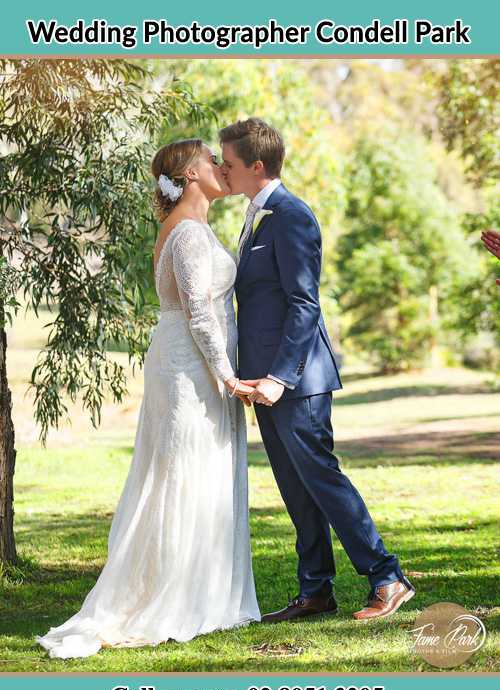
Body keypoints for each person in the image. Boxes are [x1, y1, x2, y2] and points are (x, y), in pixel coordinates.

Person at [35, 139, 261, 658]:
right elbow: (200, 313)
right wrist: (228, 376)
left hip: (197, 363)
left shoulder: (196, 227)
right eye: (212, 161)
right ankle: (172, 593)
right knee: (181, 470)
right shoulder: (184, 233)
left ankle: (207, 587)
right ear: (187, 174)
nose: (221, 168)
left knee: (203, 468)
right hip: (189, 368)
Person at [219, 118, 415, 622]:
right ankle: (316, 591)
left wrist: (279, 377)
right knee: (295, 486)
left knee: (322, 479)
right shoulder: (255, 215)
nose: (223, 170)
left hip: (295, 381)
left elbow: (304, 304)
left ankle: (387, 577)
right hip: (262, 382)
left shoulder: (291, 215)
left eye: (230, 163)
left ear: (256, 167)